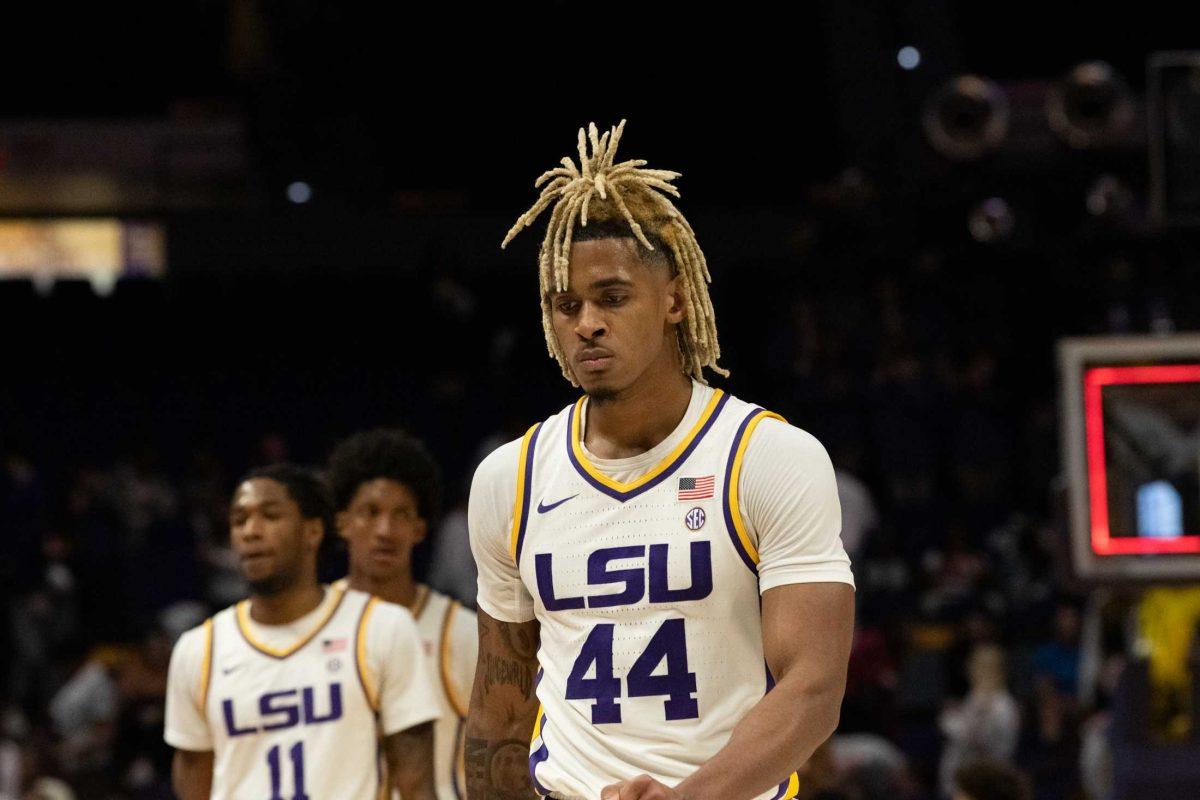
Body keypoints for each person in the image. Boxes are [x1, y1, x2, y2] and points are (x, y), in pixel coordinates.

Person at [466, 121, 856, 800]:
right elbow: (499, 710)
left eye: (612, 298)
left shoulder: (766, 456)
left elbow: (813, 689)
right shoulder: (511, 478)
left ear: (674, 299)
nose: (586, 322)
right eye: (566, 306)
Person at [163, 464, 440, 799]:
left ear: (312, 532)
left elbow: (416, 783)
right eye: (239, 520)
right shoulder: (198, 649)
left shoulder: (381, 627)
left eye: (270, 515)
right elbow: (194, 782)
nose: (251, 531)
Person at [328, 428, 478, 800]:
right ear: (343, 523)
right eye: (371, 512)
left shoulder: (463, 631)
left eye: (401, 515)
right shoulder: (314, 625)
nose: (385, 530)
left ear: (419, 529)